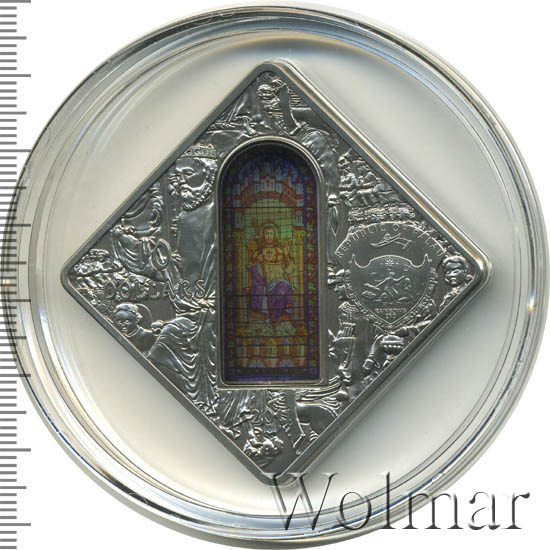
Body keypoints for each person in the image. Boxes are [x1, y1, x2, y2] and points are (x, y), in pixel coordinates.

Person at [247, 221, 295, 327]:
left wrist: (286, 255)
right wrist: (257, 261)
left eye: (271, 233)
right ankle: (272, 317)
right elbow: (250, 266)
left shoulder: (280, 250)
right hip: (265, 280)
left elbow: (289, 269)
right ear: (263, 235)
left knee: (281, 288)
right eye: (266, 233)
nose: (269, 236)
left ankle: (275, 317)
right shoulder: (259, 250)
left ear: (275, 235)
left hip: (280, 279)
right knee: (279, 288)